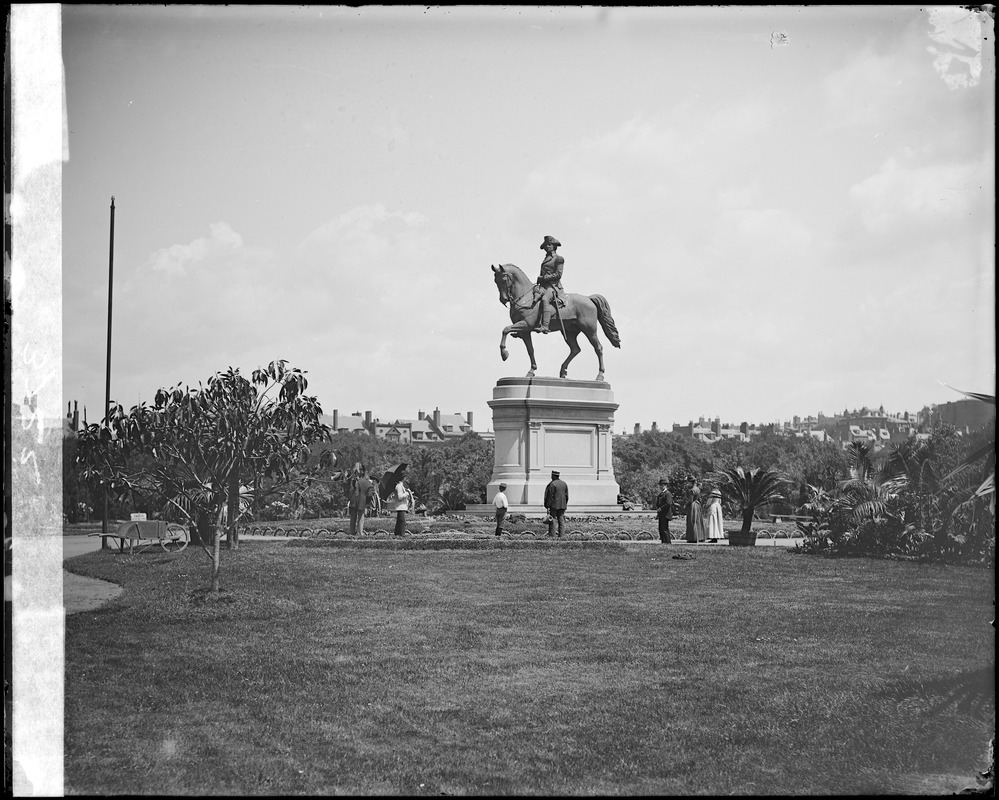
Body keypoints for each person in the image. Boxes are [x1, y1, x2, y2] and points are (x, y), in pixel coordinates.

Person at [535, 235, 564, 334]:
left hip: (553, 287)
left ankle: (545, 326)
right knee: (533, 296)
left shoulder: (558, 259)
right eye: (546, 245)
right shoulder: (545, 259)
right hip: (543, 286)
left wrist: (544, 278)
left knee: (545, 299)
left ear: (554, 246)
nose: (548, 247)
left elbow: (558, 275)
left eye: (550, 245)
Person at [348, 463, 375, 537]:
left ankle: (352, 532)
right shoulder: (369, 483)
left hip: (354, 501)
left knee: (353, 518)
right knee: (361, 518)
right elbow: (370, 495)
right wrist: (367, 503)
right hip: (361, 502)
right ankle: (360, 533)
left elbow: (351, 491)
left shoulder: (355, 481)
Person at [386, 468, 412, 537]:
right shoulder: (399, 486)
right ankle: (401, 535)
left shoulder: (401, 486)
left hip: (402, 507)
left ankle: (397, 535)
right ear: (403, 478)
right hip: (400, 507)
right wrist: (406, 494)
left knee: (400, 522)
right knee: (402, 523)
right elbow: (400, 497)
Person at [543, 470, 568, 538]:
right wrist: (564, 504)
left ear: (553, 476)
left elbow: (550, 497)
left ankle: (552, 536)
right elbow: (566, 496)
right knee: (561, 521)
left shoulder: (552, 484)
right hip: (562, 505)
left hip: (554, 506)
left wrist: (548, 506)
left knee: (552, 520)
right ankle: (562, 536)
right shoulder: (564, 483)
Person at [654, 478, 674, 543]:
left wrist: (661, 508)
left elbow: (669, 503)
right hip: (661, 514)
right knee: (661, 528)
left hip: (665, 514)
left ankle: (667, 541)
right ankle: (663, 541)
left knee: (665, 529)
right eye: (660, 485)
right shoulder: (661, 494)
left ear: (665, 485)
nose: (661, 486)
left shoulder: (667, 493)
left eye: (662, 485)